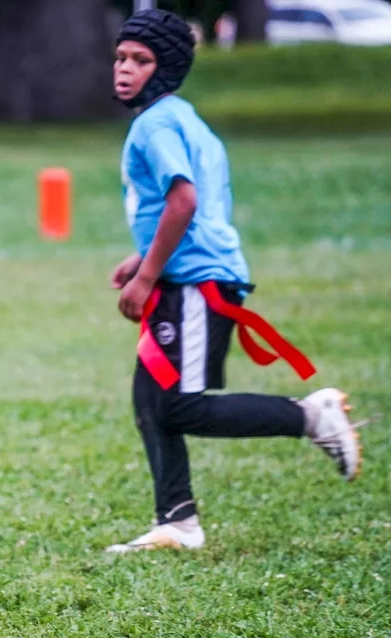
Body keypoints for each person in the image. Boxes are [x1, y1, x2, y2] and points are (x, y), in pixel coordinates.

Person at [107, 9, 362, 554]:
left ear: (167, 67)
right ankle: (177, 521)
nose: (124, 69)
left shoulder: (154, 125)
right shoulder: (183, 118)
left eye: (140, 60)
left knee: (179, 404)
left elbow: (185, 200)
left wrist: (147, 275)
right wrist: (142, 257)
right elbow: (185, 208)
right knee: (151, 398)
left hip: (196, 282)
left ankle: (309, 417)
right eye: (121, 57)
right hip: (191, 273)